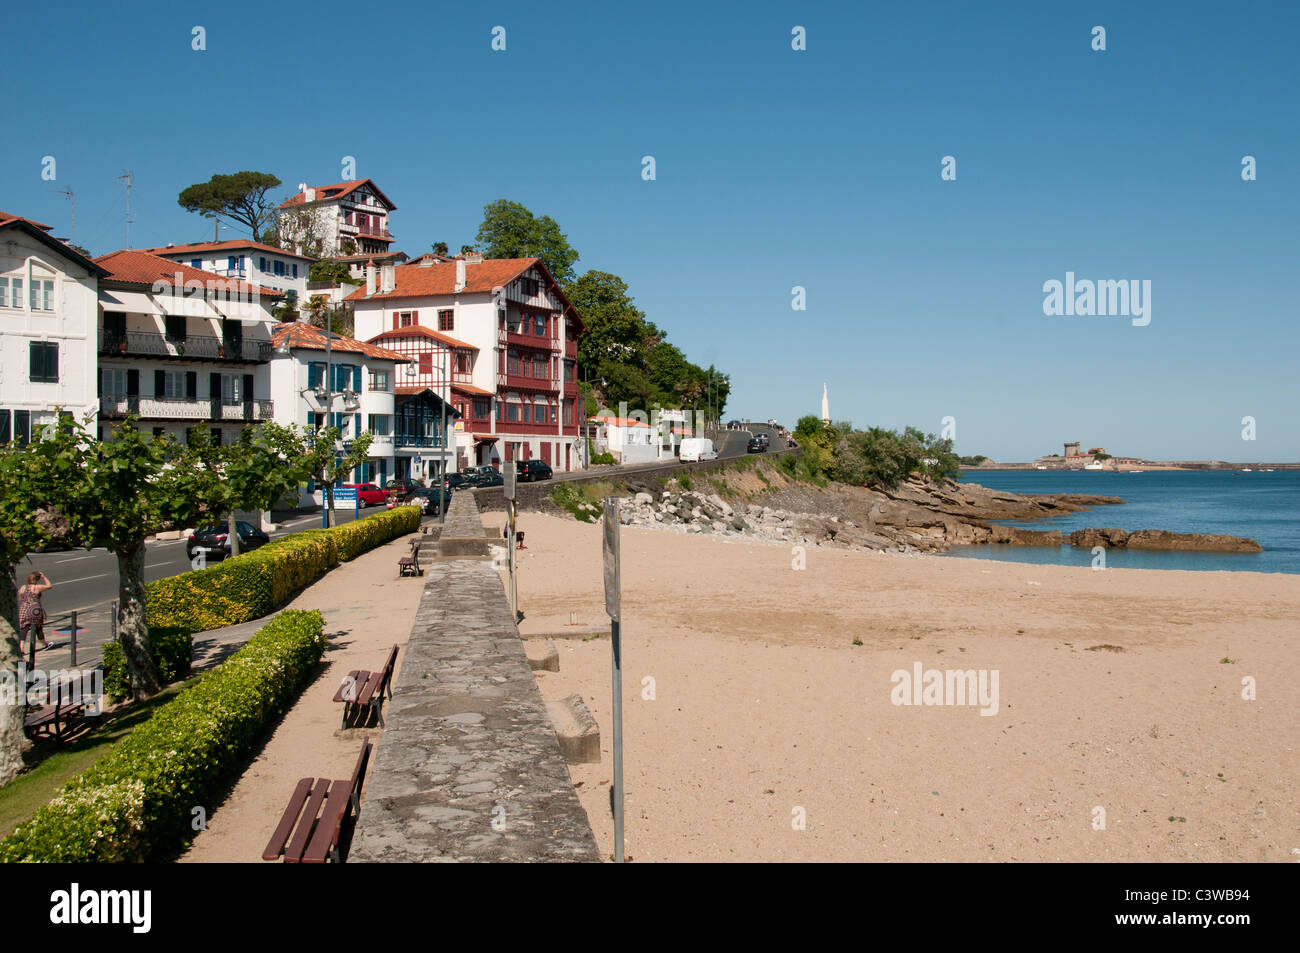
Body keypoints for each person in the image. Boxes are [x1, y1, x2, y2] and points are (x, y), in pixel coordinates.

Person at [18, 571, 53, 651]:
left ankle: (21, 648)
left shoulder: (24, 587)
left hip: (24, 609)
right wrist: (43, 577)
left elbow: (20, 596)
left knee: (24, 628)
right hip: (34, 610)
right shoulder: (37, 587)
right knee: (38, 627)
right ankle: (44, 644)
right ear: (37, 579)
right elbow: (49, 586)